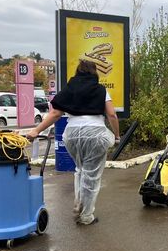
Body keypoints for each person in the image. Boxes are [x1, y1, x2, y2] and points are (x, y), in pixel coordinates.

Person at [27, 59, 120, 225]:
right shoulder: (101, 89)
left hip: (71, 134)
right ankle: (86, 216)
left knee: (80, 169)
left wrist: (36, 131)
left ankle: (79, 202)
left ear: (78, 72)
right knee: (91, 175)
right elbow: (112, 115)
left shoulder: (70, 88)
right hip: (95, 134)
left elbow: (55, 113)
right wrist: (117, 135)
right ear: (94, 73)